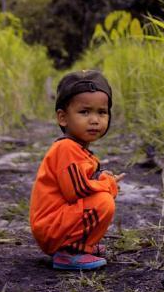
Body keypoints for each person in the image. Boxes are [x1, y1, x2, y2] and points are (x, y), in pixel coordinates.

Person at [29, 70, 124, 270]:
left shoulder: (76, 148)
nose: (94, 120)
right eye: (84, 112)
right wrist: (107, 184)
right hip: (51, 227)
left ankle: (82, 245)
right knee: (102, 201)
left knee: (102, 198)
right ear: (63, 118)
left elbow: (81, 184)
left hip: (57, 223)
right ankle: (69, 252)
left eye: (101, 112)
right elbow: (77, 191)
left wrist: (102, 179)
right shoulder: (66, 148)